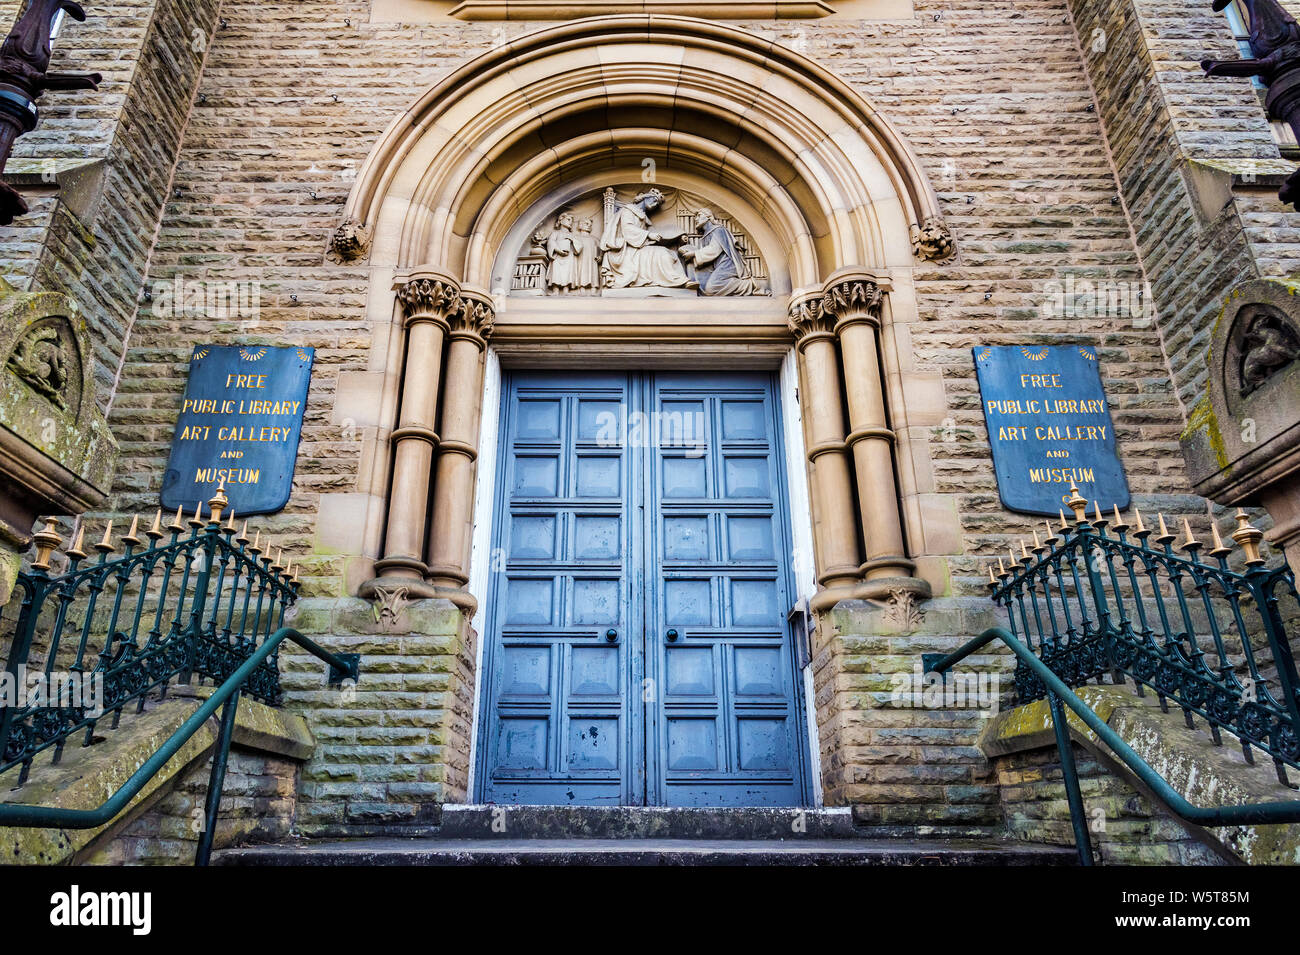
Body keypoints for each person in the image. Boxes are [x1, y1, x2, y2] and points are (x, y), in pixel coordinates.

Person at [598, 189, 689, 289]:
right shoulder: (628, 210)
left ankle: (680, 280)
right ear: (645, 198)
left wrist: (679, 235)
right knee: (662, 254)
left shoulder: (644, 218)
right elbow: (628, 229)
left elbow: (658, 234)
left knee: (669, 253)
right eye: (654, 200)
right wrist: (648, 234)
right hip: (624, 251)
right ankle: (677, 280)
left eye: (657, 204)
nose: (655, 204)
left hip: (637, 248)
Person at [680, 208, 769, 296]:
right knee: (705, 287)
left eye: (699, 215)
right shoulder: (706, 235)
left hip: (728, 264)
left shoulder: (718, 230)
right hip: (718, 266)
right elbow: (706, 254)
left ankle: (751, 285)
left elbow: (714, 249)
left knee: (711, 289)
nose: (696, 219)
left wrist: (693, 253)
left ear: (708, 217)